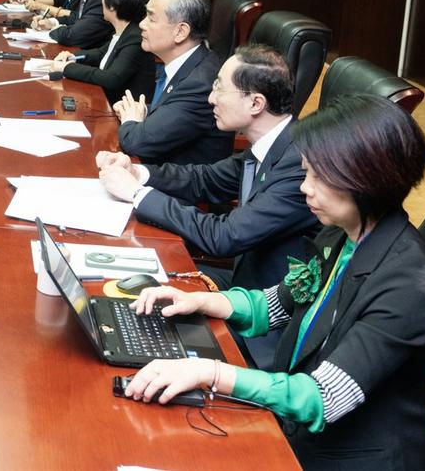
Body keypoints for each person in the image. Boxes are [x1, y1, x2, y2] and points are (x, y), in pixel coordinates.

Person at [123, 95, 425, 470]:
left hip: (352, 456)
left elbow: (324, 397)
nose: (305, 188)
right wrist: (201, 301)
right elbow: (279, 303)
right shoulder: (341, 235)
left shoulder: (409, 281)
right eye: (306, 173)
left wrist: (211, 372)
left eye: (319, 177)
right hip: (294, 424)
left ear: (367, 179)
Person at [97, 45, 318, 364]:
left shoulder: (298, 163)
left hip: (267, 321)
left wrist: (137, 194)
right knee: (120, 286)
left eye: (219, 88)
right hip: (244, 283)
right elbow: (206, 178)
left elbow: (225, 237)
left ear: (256, 102)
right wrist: (138, 172)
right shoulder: (269, 145)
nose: (211, 98)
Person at [114, 0, 232, 165]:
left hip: (181, 189)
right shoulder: (189, 62)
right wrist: (140, 110)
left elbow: (138, 144)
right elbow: (174, 112)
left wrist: (130, 120)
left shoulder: (200, 83)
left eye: (151, 18)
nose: (142, 24)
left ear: (180, 32)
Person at [50, 0, 155, 105]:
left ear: (112, 5)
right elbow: (100, 53)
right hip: (106, 104)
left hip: (123, 115)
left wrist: (67, 68)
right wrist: (72, 57)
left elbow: (112, 77)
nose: (101, 0)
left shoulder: (135, 39)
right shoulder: (124, 32)